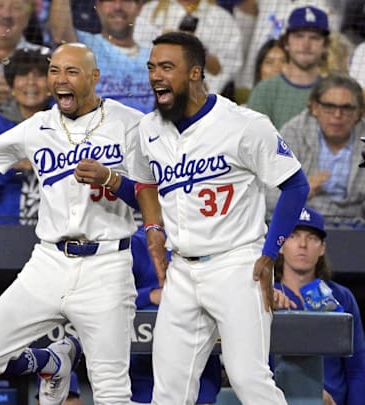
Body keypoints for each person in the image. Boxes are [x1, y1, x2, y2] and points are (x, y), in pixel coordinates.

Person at [0, 42, 165, 404]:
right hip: (48, 264)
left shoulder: (130, 124)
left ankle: (61, 360)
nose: (60, 79)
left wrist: (112, 180)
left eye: (71, 71)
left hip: (106, 266)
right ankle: (52, 360)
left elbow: (153, 195)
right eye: (55, 71)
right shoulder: (37, 127)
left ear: (94, 77)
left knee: (112, 393)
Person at [128, 31, 310, 404]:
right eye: (151, 68)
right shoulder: (148, 130)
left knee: (249, 380)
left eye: (167, 67)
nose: (155, 76)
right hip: (181, 271)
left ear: (195, 73)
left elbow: (296, 186)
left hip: (237, 264)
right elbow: (144, 184)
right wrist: (152, 227)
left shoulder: (245, 124)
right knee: (169, 390)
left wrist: (270, 252)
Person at [273, 206, 365, 405]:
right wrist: (308, 392)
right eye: (294, 236)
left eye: (312, 238)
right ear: (281, 245)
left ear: (322, 248)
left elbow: (357, 366)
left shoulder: (342, 296)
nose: (303, 244)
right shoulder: (266, 295)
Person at [128, 227, 222, 405]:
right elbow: (112, 300)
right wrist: (151, 295)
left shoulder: (210, 241)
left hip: (202, 387)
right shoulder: (136, 243)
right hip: (144, 387)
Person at [268, 73, 365, 224]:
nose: (337, 115)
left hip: (357, 226)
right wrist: (299, 192)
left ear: (359, 113)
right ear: (314, 108)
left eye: (346, 108)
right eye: (329, 107)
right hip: (301, 225)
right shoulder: (294, 133)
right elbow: (268, 196)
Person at [0, 48, 51, 225]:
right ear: (12, 86)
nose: (31, 83)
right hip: (3, 231)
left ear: (51, 85)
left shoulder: (65, 125)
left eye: (39, 75)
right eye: (23, 75)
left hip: (55, 232)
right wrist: (11, 165)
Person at [47, 0, 154, 113]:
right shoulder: (83, 46)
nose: (117, 6)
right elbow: (60, 33)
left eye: (126, 0)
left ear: (139, 7)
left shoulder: (153, 56)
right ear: (98, 6)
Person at [133, 0, 243, 98]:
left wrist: (202, 90)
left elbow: (229, 65)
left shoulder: (221, 17)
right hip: (151, 94)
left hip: (201, 98)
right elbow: (135, 49)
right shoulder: (150, 10)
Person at [247, 6, 330, 130]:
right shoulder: (264, 91)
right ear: (286, 43)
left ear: (325, 45)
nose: (305, 45)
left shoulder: (336, 91)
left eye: (314, 37)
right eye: (299, 36)